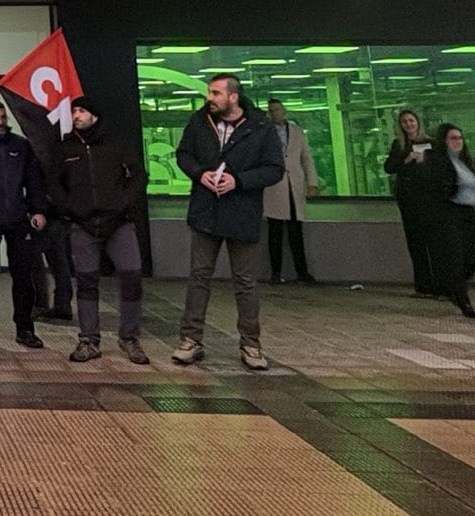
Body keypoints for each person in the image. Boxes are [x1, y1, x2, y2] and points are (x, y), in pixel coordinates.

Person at [171, 74, 284, 371]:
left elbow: (274, 169)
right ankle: (190, 340)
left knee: (245, 282)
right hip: (205, 211)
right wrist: (199, 173)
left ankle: (251, 344)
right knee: (199, 277)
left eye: (216, 93)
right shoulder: (199, 122)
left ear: (233, 97)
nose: (210, 98)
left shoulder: (260, 127)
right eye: (210, 92)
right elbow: (183, 154)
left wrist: (240, 181)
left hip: (242, 213)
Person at [46, 96, 149, 365]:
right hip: (82, 225)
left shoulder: (116, 143)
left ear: (95, 115)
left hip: (119, 222)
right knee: (87, 281)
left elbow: (138, 175)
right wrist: (69, 207)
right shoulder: (65, 147)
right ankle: (89, 340)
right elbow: (54, 183)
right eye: (74, 111)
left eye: (82, 110)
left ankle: (129, 337)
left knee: (131, 276)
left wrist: (123, 202)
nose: (76, 115)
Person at [0, 100, 50, 349]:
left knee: (23, 277)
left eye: (2, 116)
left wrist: (38, 209)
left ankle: (25, 328)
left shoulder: (21, 145)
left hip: (18, 218)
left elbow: (34, 180)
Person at [428, 124, 475, 318]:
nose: (458, 141)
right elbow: (437, 188)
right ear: (444, 141)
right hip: (450, 211)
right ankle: (463, 300)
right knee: (456, 258)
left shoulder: (466, 162)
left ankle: (453, 286)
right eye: (453, 138)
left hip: (468, 212)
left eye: (460, 137)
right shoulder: (440, 162)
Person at [263, 98, 319, 284]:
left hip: (294, 184)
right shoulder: (264, 133)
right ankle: (276, 273)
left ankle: (302, 272)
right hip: (274, 186)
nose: (274, 113)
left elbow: (306, 158)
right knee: (275, 232)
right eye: (271, 110)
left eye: (277, 110)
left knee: (296, 232)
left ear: (284, 111)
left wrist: (312, 183)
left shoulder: (297, 132)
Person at [385, 109, 439, 296]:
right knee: (415, 241)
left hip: (428, 197)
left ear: (418, 122)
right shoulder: (398, 145)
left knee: (433, 240)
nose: (408, 124)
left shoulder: (431, 143)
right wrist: (406, 160)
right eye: (404, 122)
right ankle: (423, 284)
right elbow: (389, 168)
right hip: (409, 198)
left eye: (411, 120)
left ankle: (438, 282)